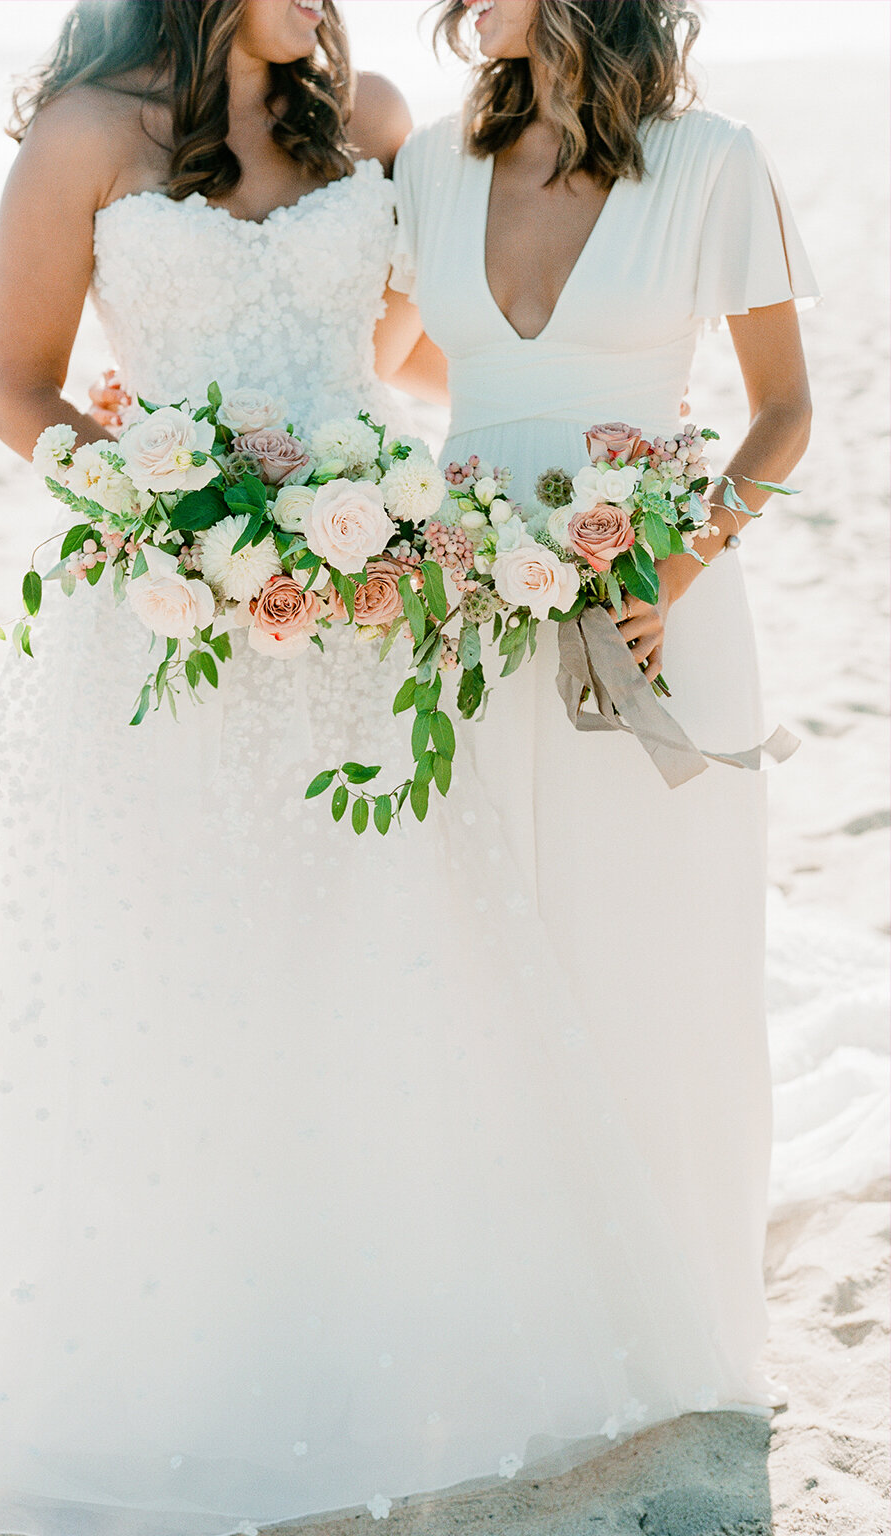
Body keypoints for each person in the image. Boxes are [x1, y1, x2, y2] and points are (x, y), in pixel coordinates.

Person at [0, 4, 741, 1530]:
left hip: (363, 601)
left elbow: (410, 344)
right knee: (182, 969)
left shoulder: (381, 114)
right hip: (164, 619)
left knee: (381, 959)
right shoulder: (85, 132)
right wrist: (170, 512)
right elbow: (17, 388)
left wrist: (367, 482)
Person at [391, 0, 814, 1406]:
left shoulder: (711, 160)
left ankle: (666, 1323)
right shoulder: (436, 166)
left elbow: (782, 412)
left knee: (649, 955)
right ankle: (505, 1309)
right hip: (466, 614)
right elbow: (400, 357)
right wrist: (511, 445)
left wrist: (668, 558)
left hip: (654, 611)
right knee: (479, 945)